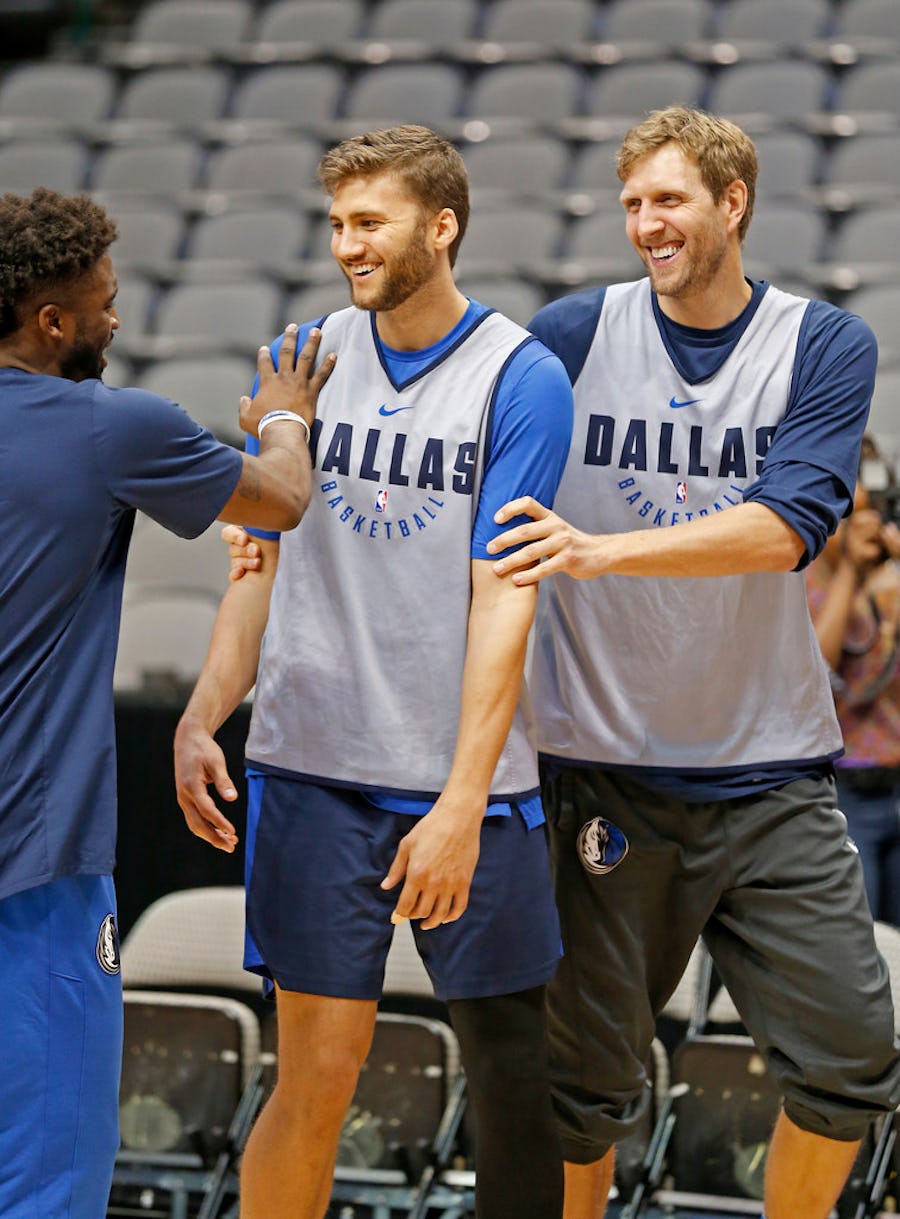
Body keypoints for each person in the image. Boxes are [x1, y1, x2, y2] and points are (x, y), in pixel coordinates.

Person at [484, 107, 900, 1219]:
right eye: (631, 204)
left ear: (733, 202)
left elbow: (786, 526)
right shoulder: (572, 334)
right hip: (603, 767)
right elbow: (477, 483)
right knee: (583, 1091)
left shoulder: (823, 344)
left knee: (852, 1054)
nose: (645, 224)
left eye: (668, 199)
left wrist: (600, 549)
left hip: (770, 771)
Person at [173, 125, 574, 1219]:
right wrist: (204, 714)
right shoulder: (301, 361)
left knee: (515, 1077)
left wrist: (460, 802)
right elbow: (255, 563)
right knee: (315, 1073)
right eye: (337, 223)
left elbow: (506, 597)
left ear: (441, 227)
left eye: (370, 222)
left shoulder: (522, 378)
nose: (347, 244)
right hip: (315, 765)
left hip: (467, 780)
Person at [0, 187, 333, 1219]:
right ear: (50, 320)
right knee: (49, 1175)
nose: (114, 318)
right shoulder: (112, 426)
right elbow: (283, 497)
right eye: (100, 304)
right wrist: (286, 416)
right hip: (32, 865)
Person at [806, 437, 900, 925]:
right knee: (861, 934)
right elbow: (815, 674)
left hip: (894, 784)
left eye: (871, 514)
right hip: (843, 791)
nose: (862, 528)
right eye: (849, 516)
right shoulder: (803, 583)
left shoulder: (890, 583)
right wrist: (849, 572)